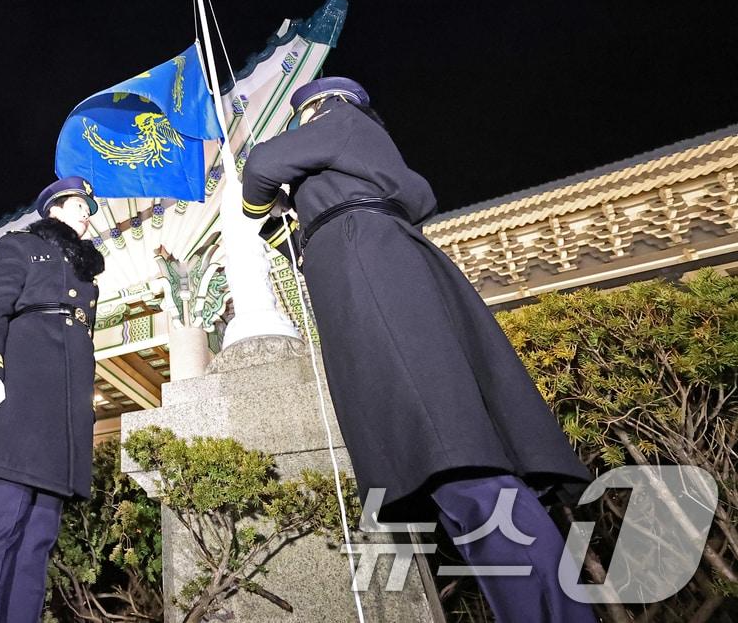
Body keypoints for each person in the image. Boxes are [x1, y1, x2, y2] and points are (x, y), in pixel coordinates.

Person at [241, 77, 596, 623]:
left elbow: (262, 164)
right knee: (452, 487)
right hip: (359, 264)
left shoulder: (339, 120)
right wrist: (285, 222)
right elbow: (308, 241)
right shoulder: (351, 197)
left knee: (459, 466)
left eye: (303, 116)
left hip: (372, 272)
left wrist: (255, 206)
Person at [0, 176, 105, 623]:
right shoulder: (21, 246)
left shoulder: (84, 272)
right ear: (54, 208)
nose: (86, 215)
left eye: (88, 210)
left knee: (39, 536)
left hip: (63, 414)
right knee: (2, 523)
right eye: (78, 206)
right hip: (23, 399)